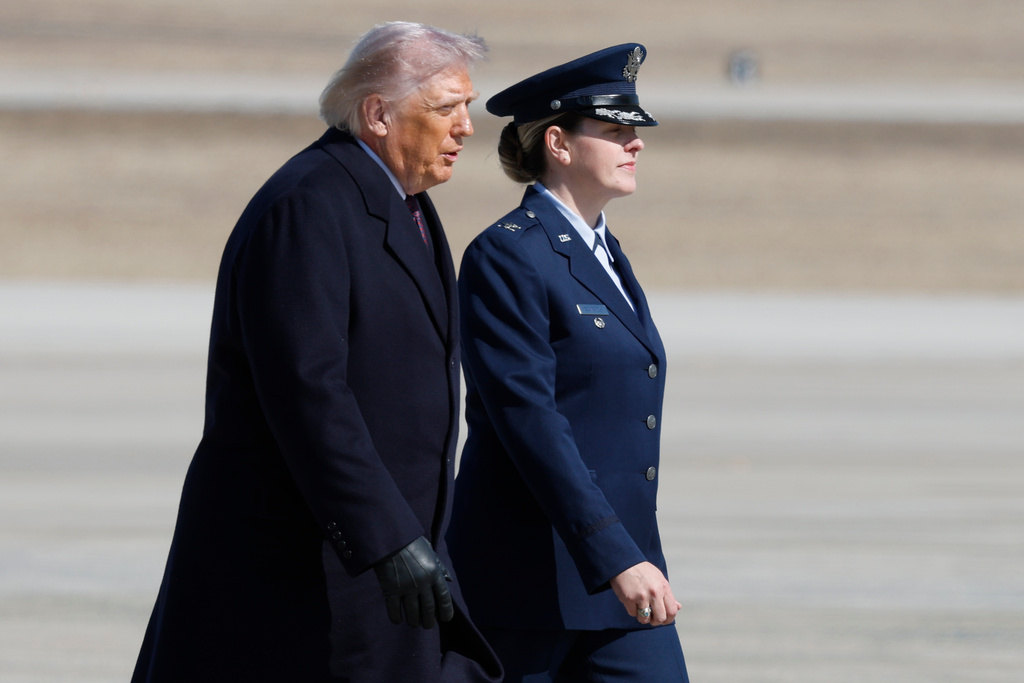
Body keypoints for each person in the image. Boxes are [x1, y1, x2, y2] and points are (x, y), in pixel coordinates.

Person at [131, 22, 501, 683]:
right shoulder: (310, 205)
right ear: (378, 114)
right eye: (447, 108)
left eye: (466, 108)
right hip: (311, 571)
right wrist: (387, 536)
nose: (466, 128)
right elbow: (309, 392)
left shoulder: (401, 203)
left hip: (384, 569)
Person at [446, 44, 690, 681]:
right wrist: (614, 557)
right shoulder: (509, 257)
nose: (634, 145)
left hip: (623, 577)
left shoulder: (603, 250)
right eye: (614, 131)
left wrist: (627, 558)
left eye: (635, 133)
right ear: (557, 142)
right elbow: (529, 421)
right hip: (531, 582)